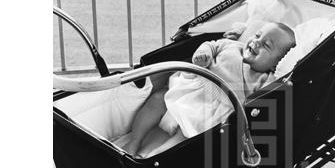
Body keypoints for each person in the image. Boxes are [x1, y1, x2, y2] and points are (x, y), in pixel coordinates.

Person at [123, 21, 295, 157]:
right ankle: (133, 143)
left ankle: (154, 157)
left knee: (189, 137)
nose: (256, 42)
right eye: (257, 35)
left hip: (213, 109)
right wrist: (202, 54)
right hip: (193, 87)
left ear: (275, 64)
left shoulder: (263, 79)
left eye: (266, 46)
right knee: (158, 99)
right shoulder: (233, 45)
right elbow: (211, 44)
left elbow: (272, 94)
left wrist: (285, 71)